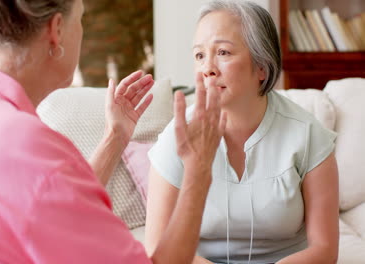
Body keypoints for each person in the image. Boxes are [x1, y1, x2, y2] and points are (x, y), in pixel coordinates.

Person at [0, 0, 226, 263]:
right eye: (81, 20)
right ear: (57, 30)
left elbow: (53, 204)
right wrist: (198, 170)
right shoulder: (26, 145)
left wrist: (115, 136)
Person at [145, 1, 339, 264]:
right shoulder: (177, 136)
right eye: (199, 55)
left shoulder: (308, 134)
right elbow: (156, 249)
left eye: (223, 52)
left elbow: (325, 250)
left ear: (262, 66)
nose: (207, 69)